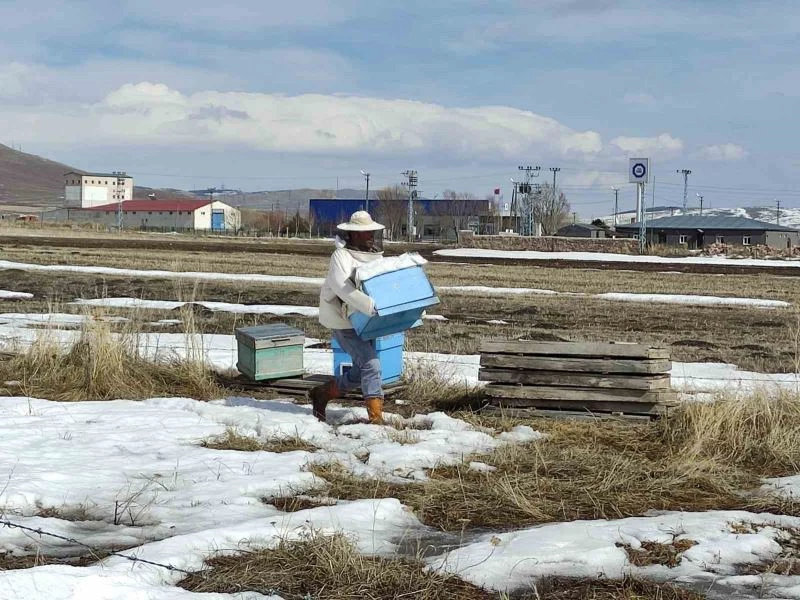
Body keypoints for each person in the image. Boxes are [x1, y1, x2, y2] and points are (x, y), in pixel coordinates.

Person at [310, 210, 386, 424]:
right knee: (372, 365)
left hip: (367, 321)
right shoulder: (340, 257)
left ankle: (323, 393)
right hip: (343, 321)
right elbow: (342, 288)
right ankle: (376, 420)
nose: (370, 235)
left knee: (360, 370)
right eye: (365, 232)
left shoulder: (374, 256)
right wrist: (369, 305)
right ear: (352, 235)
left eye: (372, 231)